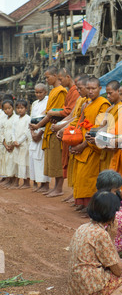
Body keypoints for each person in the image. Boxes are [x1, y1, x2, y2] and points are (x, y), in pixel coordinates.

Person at [71, 77, 110, 213]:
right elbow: (81, 122)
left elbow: (99, 128)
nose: (91, 91)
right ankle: (82, 203)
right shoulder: (87, 103)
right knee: (81, 175)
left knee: (89, 177)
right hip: (83, 141)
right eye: (89, 88)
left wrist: (83, 145)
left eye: (94, 88)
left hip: (92, 145)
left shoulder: (103, 104)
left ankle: (91, 206)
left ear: (100, 89)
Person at [30, 66, 67, 197]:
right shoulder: (53, 92)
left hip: (56, 128)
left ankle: (59, 188)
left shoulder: (60, 92)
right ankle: (56, 186)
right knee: (53, 158)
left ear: (55, 75)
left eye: (47, 77)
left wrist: (38, 125)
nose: (46, 80)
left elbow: (54, 113)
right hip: (50, 128)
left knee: (58, 159)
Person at [46, 68, 80, 180]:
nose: (59, 82)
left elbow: (71, 113)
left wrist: (59, 123)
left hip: (75, 131)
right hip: (66, 125)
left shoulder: (74, 92)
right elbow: (70, 113)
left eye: (60, 79)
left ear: (68, 77)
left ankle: (62, 188)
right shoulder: (72, 91)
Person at [29, 83, 51, 193]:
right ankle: (39, 183)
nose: (38, 94)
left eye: (40, 92)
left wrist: (39, 133)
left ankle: (45, 184)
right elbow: (31, 119)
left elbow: (47, 120)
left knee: (42, 160)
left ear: (45, 92)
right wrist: (32, 132)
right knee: (34, 159)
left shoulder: (49, 101)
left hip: (42, 134)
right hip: (34, 134)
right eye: (36, 92)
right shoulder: (34, 103)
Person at [12, 99, 31, 189]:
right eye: (18, 108)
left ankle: (26, 182)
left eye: (22, 108)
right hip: (16, 144)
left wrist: (19, 141)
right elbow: (13, 131)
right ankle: (17, 181)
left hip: (24, 144)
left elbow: (27, 132)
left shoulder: (28, 119)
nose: (20, 110)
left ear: (26, 108)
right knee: (18, 162)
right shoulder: (16, 119)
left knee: (24, 162)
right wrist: (14, 140)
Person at [1, 99, 18, 188]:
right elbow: (2, 132)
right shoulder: (4, 119)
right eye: (5, 109)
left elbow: (16, 132)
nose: (7, 110)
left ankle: (14, 182)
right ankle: (9, 180)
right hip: (6, 144)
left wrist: (12, 145)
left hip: (13, 145)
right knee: (8, 162)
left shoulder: (16, 118)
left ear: (13, 107)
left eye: (9, 108)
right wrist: (5, 144)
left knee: (13, 163)